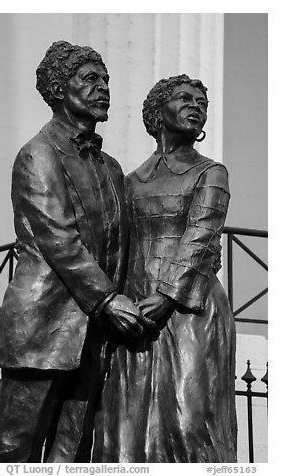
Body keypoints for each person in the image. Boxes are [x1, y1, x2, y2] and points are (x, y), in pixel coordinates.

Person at [0, 40, 146, 463]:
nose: (104, 87)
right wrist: (110, 299)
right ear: (59, 89)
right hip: (44, 326)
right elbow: (58, 239)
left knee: (74, 450)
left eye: (107, 79)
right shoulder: (38, 154)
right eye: (90, 78)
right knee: (15, 451)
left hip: (95, 331)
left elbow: (122, 244)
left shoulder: (111, 168)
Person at [92, 74, 238, 463]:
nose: (196, 106)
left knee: (189, 424)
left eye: (202, 103)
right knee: (124, 427)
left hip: (190, 311)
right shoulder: (127, 181)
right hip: (136, 313)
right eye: (185, 98)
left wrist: (168, 296)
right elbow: (116, 246)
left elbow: (202, 237)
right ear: (158, 112)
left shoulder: (211, 173)